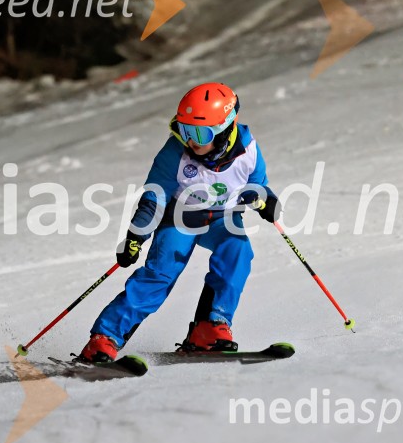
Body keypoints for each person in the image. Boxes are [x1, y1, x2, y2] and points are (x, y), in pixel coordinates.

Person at [79, 82, 282, 362]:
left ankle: (210, 328)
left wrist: (266, 200)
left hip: (223, 219)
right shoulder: (175, 152)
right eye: (184, 130)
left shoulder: (248, 151)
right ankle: (104, 339)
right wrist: (136, 236)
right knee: (160, 275)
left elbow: (259, 187)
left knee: (237, 252)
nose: (191, 140)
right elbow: (154, 199)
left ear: (224, 130)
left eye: (199, 132)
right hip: (179, 218)